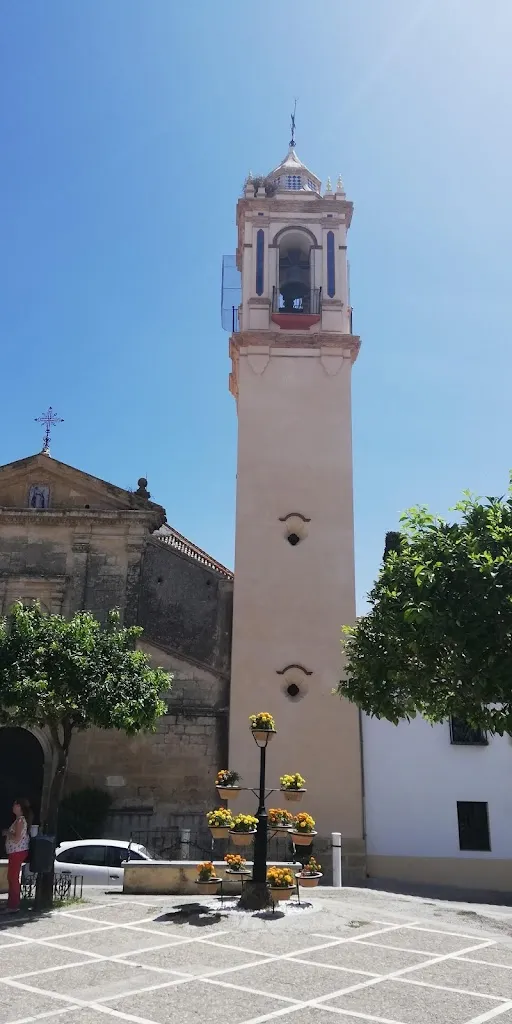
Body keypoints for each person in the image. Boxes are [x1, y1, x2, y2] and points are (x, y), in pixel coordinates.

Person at [2, 799, 32, 913]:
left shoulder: (20, 820)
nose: (13, 806)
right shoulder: (19, 820)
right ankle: (12, 904)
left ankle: (13, 906)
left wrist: (7, 833)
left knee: (13, 878)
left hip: (17, 852)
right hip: (16, 852)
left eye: (15, 804)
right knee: (12, 877)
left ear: (19, 806)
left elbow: (17, 838)